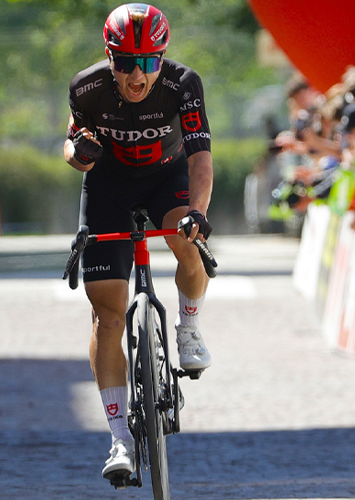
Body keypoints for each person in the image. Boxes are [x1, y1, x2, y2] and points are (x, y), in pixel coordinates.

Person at [63, 3, 213, 482]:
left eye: (148, 62)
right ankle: (118, 440)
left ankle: (188, 326)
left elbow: (200, 158)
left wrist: (197, 213)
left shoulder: (182, 84)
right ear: (110, 57)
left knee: (187, 243)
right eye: (126, 62)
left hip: (167, 178)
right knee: (107, 315)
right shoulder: (86, 88)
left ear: (161, 58)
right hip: (109, 186)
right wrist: (78, 154)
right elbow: (72, 145)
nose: (136, 74)